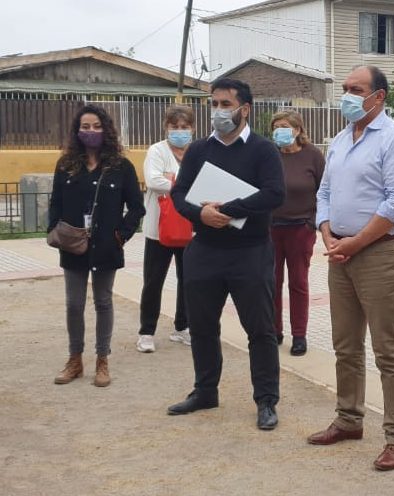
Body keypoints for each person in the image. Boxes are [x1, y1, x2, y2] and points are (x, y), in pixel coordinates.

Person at [306, 66, 394, 472]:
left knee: (388, 350)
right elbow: (324, 192)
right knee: (346, 345)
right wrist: (326, 232)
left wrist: (356, 242)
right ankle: (349, 418)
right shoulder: (340, 140)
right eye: (345, 88)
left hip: (379, 254)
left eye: (356, 89)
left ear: (379, 96)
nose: (347, 96)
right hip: (340, 253)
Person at [167, 78, 285, 431]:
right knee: (202, 326)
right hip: (205, 250)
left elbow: (274, 193)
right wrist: (201, 214)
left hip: (250, 252)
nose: (218, 111)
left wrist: (229, 209)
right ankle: (205, 391)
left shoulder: (264, 150)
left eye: (225, 104)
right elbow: (179, 193)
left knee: (260, 330)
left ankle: (266, 400)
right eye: (214, 104)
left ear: (244, 109)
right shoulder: (199, 150)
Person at [49, 104, 145, 387]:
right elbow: (56, 202)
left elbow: (137, 207)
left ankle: (102, 360)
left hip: (106, 246)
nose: (91, 131)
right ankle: (74, 360)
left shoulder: (120, 167)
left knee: (103, 302)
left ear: (106, 130)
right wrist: (55, 230)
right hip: (73, 244)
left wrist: (121, 236)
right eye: (85, 127)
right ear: (77, 131)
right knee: (73, 304)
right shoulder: (66, 165)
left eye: (96, 126)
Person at [136, 105, 194, 353]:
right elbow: (153, 180)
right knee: (153, 280)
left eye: (184, 127)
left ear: (192, 128)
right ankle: (146, 332)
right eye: (174, 126)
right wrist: (185, 186)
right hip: (159, 229)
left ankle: (182, 327)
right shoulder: (157, 151)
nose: (179, 131)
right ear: (166, 127)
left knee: (188, 280)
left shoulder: (197, 151)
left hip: (190, 227)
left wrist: (172, 180)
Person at [269, 110, 325, 355]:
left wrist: (312, 223)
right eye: (276, 127)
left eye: (284, 126)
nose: (279, 131)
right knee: (271, 282)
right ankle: (274, 330)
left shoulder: (313, 155)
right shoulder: (270, 154)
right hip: (271, 228)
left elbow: (325, 191)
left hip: (301, 228)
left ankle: (299, 335)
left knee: (298, 282)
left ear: (298, 129)